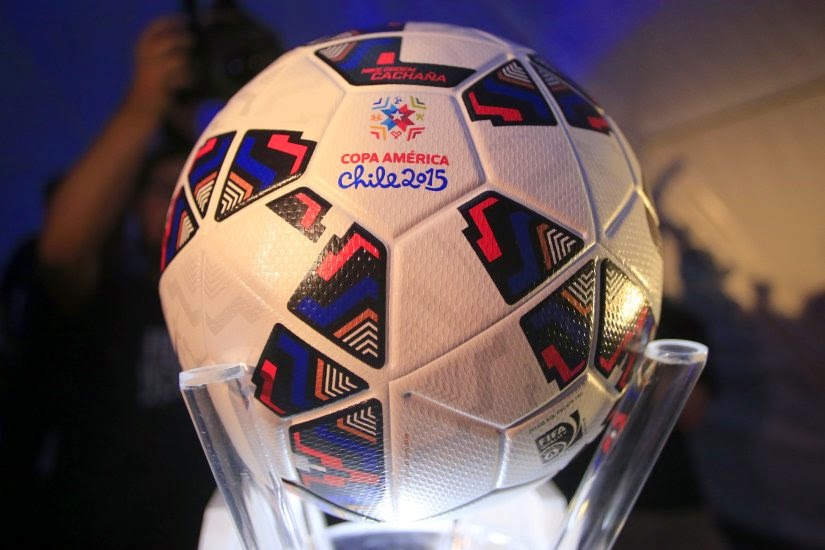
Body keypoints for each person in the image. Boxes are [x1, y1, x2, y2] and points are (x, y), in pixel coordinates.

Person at [20, 15, 213, 548]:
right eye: (160, 188)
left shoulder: (226, 301)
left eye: (190, 188)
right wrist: (143, 106)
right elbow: (60, 253)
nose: (177, 201)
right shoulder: (113, 295)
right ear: (130, 206)